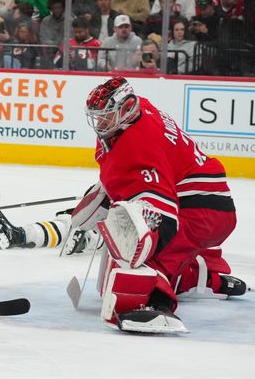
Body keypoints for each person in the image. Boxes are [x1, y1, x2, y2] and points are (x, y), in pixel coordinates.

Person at [79, 76, 245, 333]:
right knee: (161, 247)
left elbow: (163, 217)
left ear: (125, 109)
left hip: (201, 211)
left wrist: (141, 244)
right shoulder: (139, 109)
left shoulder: (139, 145)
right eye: (98, 116)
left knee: (147, 254)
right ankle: (210, 278)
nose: (100, 123)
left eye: (106, 115)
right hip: (205, 201)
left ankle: (156, 304)